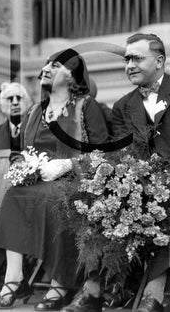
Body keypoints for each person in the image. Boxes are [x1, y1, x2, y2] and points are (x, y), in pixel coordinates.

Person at [0, 49, 108, 311]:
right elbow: (21, 152)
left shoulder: (86, 106)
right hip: (39, 181)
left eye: (55, 65)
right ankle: (15, 279)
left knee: (56, 197)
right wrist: (22, 166)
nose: (46, 69)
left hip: (76, 182)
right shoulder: (34, 111)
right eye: (45, 65)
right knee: (13, 195)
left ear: (73, 76)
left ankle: (60, 284)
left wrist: (68, 164)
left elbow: (101, 153)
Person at [63, 34, 170, 312]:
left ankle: (153, 293)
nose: (130, 65)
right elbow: (125, 152)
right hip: (143, 177)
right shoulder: (124, 105)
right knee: (98, 199)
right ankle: (93, 290)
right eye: (126, 59)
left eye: (137, 58)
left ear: (159, 61)